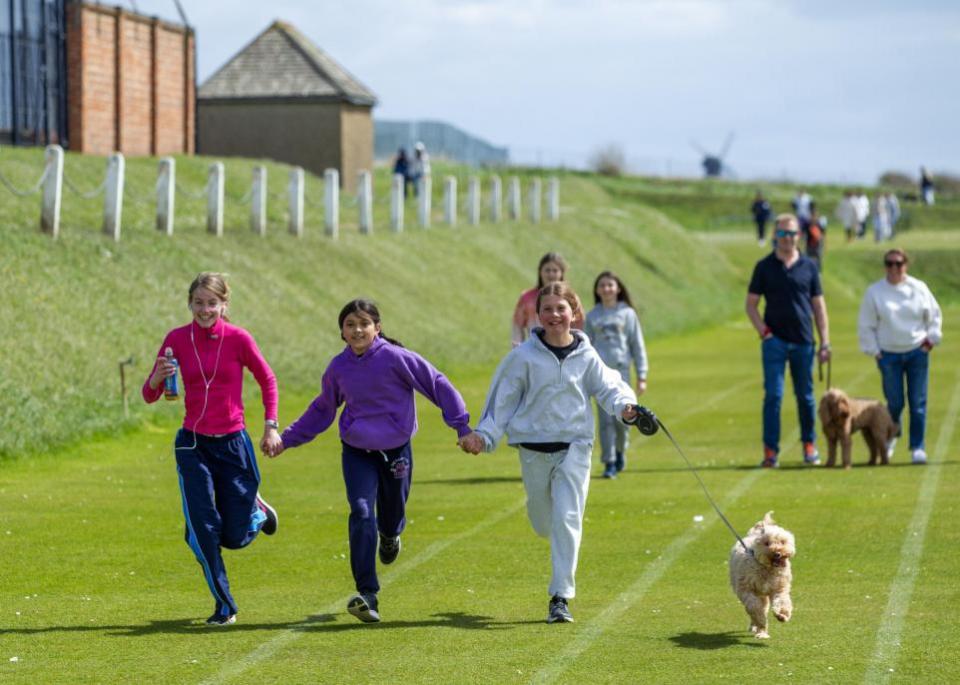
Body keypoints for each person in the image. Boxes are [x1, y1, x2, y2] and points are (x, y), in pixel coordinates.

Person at [268, 299, 471, 623]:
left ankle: (391, 535)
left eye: (364, 323)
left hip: (395, 451)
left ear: (377, 328)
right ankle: (368, 593)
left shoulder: (396, 358)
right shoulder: (339, 368)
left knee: (390, 516)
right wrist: (287, 439)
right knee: (362, 512)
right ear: (342, 333)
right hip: (357, 452)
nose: (357, 330)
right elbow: (323, 409)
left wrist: (460, 426)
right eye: (350, 325)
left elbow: (436, 383)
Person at [460, 282, 639, 624]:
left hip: (575, 446)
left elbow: (609, 388)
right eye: (548, 309)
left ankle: (560, 598)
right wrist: (483, 437)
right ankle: (553, 555)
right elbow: (503, 401)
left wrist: (627, 408)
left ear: (575, 313)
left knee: (567, 519)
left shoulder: (587, 355)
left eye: (562, 308)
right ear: (538, 315)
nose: (555, 315)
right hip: (532, 449)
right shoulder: (522, 358)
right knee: (544, 523)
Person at [142, 272, 281, 626]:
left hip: (234, 444)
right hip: (192, 444)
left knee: (232, 537)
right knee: (203, 528)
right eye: (199, 303)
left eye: (212, 303)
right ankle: (224, 605)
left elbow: (267, 380)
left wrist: (270, 426)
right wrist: (158, 376)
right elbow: (149, 394)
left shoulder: (238, 339)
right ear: (190, 303)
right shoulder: (176, 339)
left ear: (224, 305)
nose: (205, 310)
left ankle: (257, 511)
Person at [745, 214, 831, 468]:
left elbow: (819, 307)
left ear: (799, 236)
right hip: (775, 342)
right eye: (782, 234)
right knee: (773, 396)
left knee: (806, 397)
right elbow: (751, 305)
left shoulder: (809, 266)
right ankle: (770, 451)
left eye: (792, 233)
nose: (788, 238)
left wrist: (825, 341)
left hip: (804, 341)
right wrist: (764, 332)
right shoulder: (764, 266)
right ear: (775, 236)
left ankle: (809, 445)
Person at [857, 249, 943, 464]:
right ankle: (892, 435)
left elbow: (934, 316)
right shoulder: (875, 292)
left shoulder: (919, 288)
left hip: (916, 351)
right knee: (894, 402)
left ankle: (917, 446)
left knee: (918, 402)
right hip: (888, 354)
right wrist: (875, 351)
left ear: (906, 264)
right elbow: (866, 324)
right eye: (889, 264)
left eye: (899, 264)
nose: (894, 268)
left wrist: (929, 342)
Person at [583, 271, 648, 478]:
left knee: (624, 418)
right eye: (602, 285)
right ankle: (609, 461)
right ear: (596, 290)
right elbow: (586, 347)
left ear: (618, 288)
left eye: (610, 285)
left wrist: (642, 374)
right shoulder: (592, 316)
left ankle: (620, 450)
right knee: (606, 421)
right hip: (601, 374)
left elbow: (637, 345)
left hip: (622, 373)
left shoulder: (627, 313)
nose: (606, 289)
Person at [511, 252, 583, 346]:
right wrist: (518, 347)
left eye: (555, 270)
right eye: (547, 270)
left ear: (562, 273)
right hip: (535, 349)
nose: (551, 274)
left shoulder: (571, 298)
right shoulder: (527, 298)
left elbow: (579, 325)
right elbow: (517, 326)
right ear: (540, 272)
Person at [802, 202, 827, 271]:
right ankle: (808, 270)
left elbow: (823, 236)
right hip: (809, 245)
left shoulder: (820, 224)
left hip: (817, 245)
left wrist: (824, 245)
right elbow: (803, 235)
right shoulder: (807, 225)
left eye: (815, 215)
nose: (814, 217)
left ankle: (818, 272)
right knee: (807, 258)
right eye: (812, 215)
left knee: (818, 259)